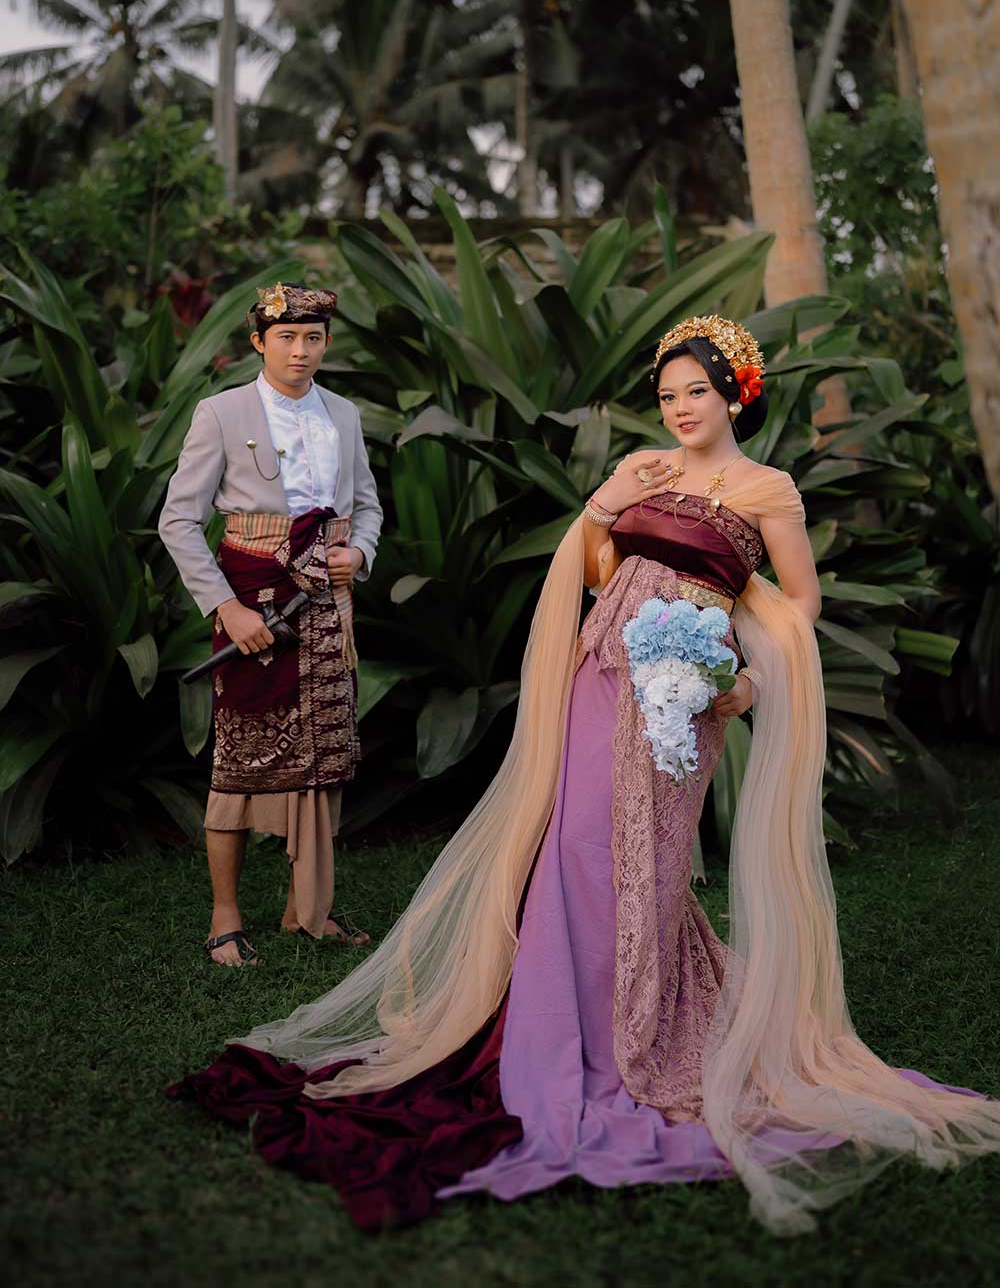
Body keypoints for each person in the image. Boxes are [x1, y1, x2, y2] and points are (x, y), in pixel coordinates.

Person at [170, 314, 1000, 1233]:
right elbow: (602, 571)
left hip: (683, 689)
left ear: (735, 395)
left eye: (697, 391)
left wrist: (751, 677)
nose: (680, 408)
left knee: (644, 859)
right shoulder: (643, 468)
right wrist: (602, 504)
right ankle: (560, 1028)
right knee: (570, 843)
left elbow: (798, 600)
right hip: (601, 666)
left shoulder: (768, 489)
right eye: (668, 395)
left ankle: (633, 1035)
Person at [159, 282, 383, 966]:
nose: (300, 351)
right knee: (241, 753)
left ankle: (304, 907)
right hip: (252, 601)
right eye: (286, 337)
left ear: (326, 343)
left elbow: (368, 505)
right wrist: (226, 607)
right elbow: (178, 520)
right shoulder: (221, 412)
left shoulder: (344, 414)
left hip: (328, 606)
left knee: (322, 754)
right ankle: (225, 915)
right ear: (259, 342)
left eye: (313, 338)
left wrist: (358, 553)